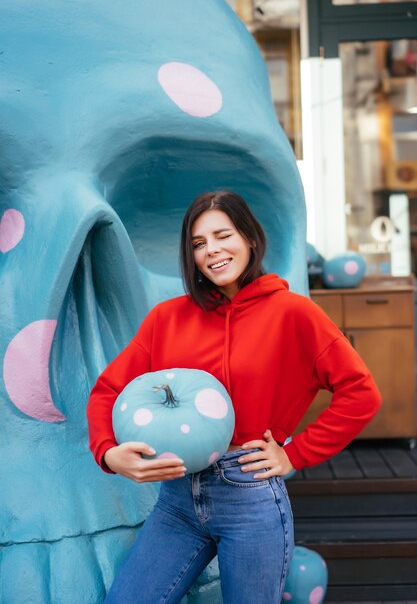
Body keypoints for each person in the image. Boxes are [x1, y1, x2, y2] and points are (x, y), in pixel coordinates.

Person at [86, 190, 382, 604]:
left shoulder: (294, 314)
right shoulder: (166, 319)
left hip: (250, 494)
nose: (212, 250)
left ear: (250, 239)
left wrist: (294, 455)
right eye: (198, 243)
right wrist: (108, 453)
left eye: (222, 235)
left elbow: (361, 393)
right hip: (177, 499)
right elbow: (107, 391)